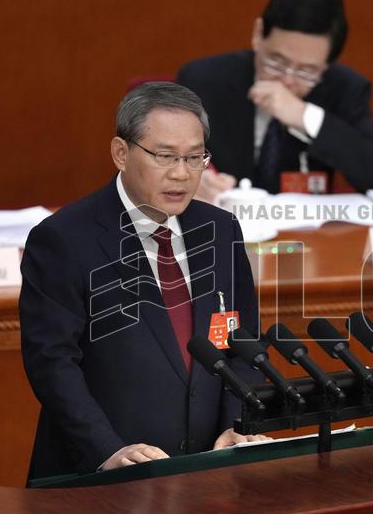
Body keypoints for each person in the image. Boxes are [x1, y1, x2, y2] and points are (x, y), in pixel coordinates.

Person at [20, 82, 266, 480]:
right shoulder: (64, 239)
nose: (182, 174)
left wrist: (238, 425)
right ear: (121, 152)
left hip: (208, 475)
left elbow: (243, 342)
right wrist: (107, 451)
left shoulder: (221, 229)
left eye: (194, 158)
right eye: (165, 157)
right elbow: (52, 363)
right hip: (100, 478)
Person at [177, 0, 373, 201]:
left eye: (307, 71)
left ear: (327, 65)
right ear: (258, 34)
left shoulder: (344, 88)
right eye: (276, 61)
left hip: (304, 231)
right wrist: (192, 178)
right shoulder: (204, 79)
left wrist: (306, 116)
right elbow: (159, 156)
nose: (287, 79)